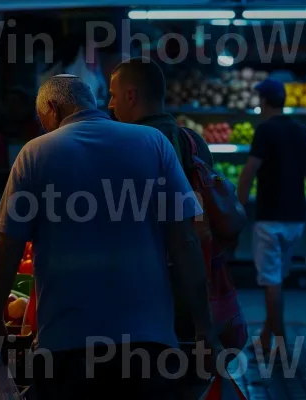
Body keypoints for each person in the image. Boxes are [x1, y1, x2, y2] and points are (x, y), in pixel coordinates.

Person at [0, 75, 223, 399]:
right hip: (149, 345)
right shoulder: (153, 142)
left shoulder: (35, 154)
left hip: (66, 345)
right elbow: (186, 240)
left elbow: (7, 244)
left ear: (52, 108)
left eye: (43, 122)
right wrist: (204, 328)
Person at [108, 57, 217, 399]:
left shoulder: (127, 144)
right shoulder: (193, 141)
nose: (108, 104)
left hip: (141, 296)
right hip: (191, 289)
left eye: (112, 95)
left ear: (131, 95)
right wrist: (205, 324)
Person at [237, 79, 306, 354]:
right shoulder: (301, 130)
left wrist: (236, 208)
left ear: (264, 101)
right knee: (277, 279)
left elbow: (249, 171)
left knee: (270, 282)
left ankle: (282, 343)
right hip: (297, 218)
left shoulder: (264, 131)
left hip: (269, 217)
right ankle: (265, 337)